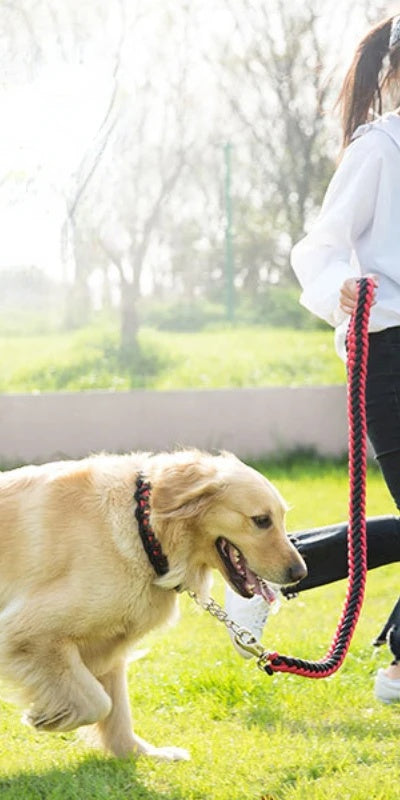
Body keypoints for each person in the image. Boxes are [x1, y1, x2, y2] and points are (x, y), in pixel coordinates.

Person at [224, 13, 400, 704]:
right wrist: (340, 290)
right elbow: (318, 249)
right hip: (390, 350)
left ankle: (270, 578)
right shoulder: (381, 147)